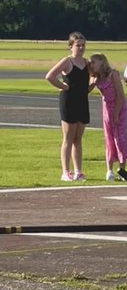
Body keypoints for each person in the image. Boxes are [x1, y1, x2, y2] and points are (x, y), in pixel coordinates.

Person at [45, 31, 90, 182]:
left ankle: (78, 171)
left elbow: (86, 86)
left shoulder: (86, 63)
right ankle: (65, 172)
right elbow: (50, 76)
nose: (81, 48)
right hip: (68, 101)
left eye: (83, 45)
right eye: (78, 45)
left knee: (78, 138)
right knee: (68, 137)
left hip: (82, 101)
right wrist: (63, 87)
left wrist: (94, 83)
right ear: (71, 46)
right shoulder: (67, 61)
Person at [88, 53, 127, 180]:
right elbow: (86, 90)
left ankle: (123, 170)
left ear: (102, 62)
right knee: (109, 138)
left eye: (93, 62)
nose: (92, 65)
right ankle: (109, 170)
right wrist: (92, 82)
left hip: (118, 108)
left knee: (120, 137)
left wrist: (117, 114)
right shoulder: (95, 77)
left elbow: (120, 95)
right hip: (107, 108)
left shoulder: (113, 74)